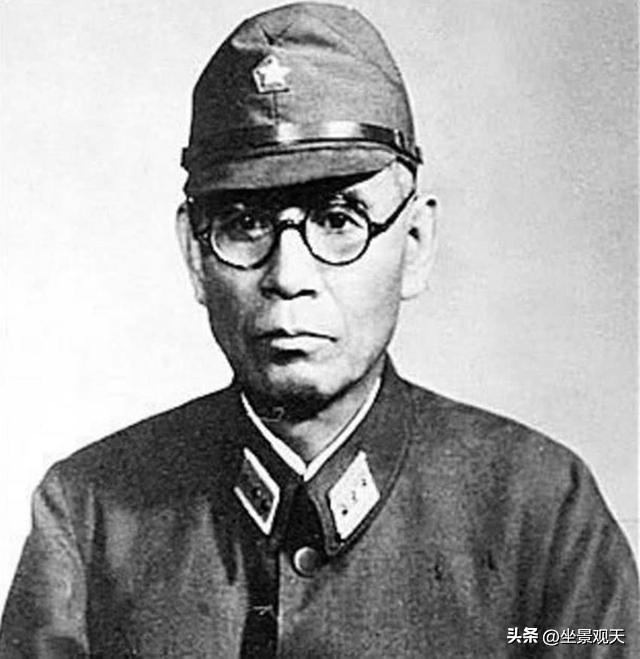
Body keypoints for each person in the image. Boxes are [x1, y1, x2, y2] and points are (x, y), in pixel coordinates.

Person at [0, 2, 637, 657]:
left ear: (415, 244)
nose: (289, 276)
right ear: (194, 256)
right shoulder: (89, 516)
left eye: (338, 220)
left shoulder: (541, 514)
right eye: (245, 224)